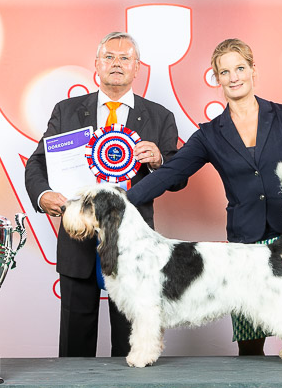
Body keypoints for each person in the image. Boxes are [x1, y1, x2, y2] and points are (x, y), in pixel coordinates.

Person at [127, 38, 282, 355]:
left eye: (240, 68)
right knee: (251, 349)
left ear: (253, 70)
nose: (234, 77)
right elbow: (170, 174)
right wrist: (120, 200)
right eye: (225, 72)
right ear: (217, 78)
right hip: (245, 248)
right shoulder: (209, 134)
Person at [25, 32, 180, 358]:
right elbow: (38, 162)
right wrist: (42, 195)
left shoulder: (160, 116)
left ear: (137, 67)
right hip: (77, 238)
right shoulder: (67, 111)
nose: (116, 64)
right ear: (96, 64)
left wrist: (160, 160)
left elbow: (178, 179)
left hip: (134, 245)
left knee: (130, 344)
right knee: (74, 345)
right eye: (109, 57)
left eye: (125, 58)